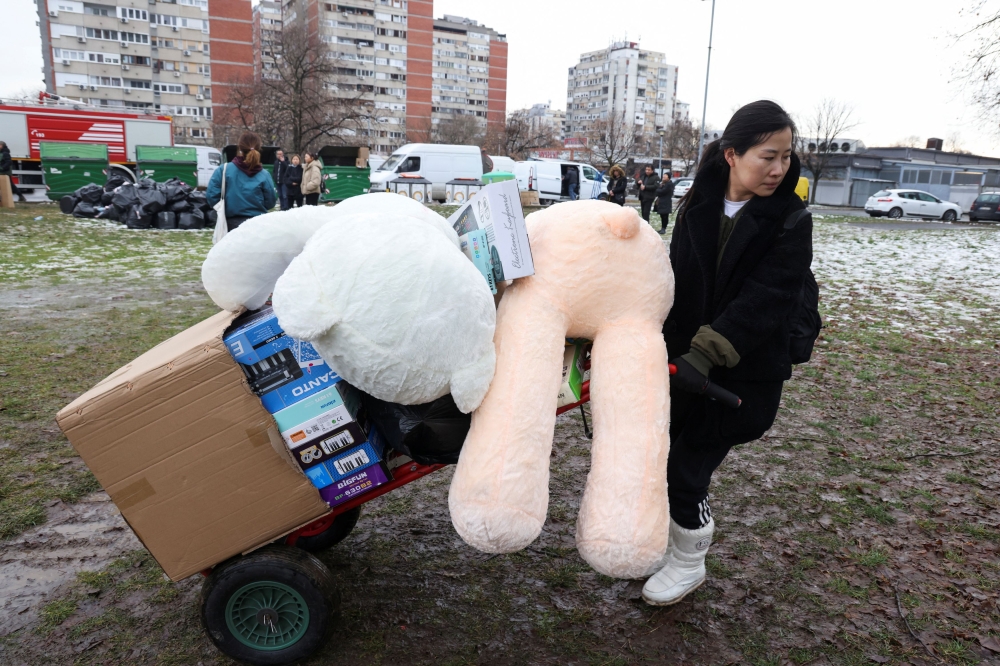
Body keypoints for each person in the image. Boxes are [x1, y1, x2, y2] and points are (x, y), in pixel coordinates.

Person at [642, 100, 812, 606]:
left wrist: (705, 352)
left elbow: (768, 298)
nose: (779, 168)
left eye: (786, 156)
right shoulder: (698, 204)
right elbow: (674, 281)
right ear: (733, 154)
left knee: (686, 469)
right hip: (682, 368)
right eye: (768, 156)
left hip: (741, 378)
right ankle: (660, 547)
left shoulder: (791, 219)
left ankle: (688, 563)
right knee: (659, 458)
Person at [206, 131, 276, 231]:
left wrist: (223, 208)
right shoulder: (264, 175)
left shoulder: (224, 170)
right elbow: (271, 201)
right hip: (258, 224)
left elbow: (212, 196)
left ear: (240, 148)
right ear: (259, 149)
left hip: (231, 224)